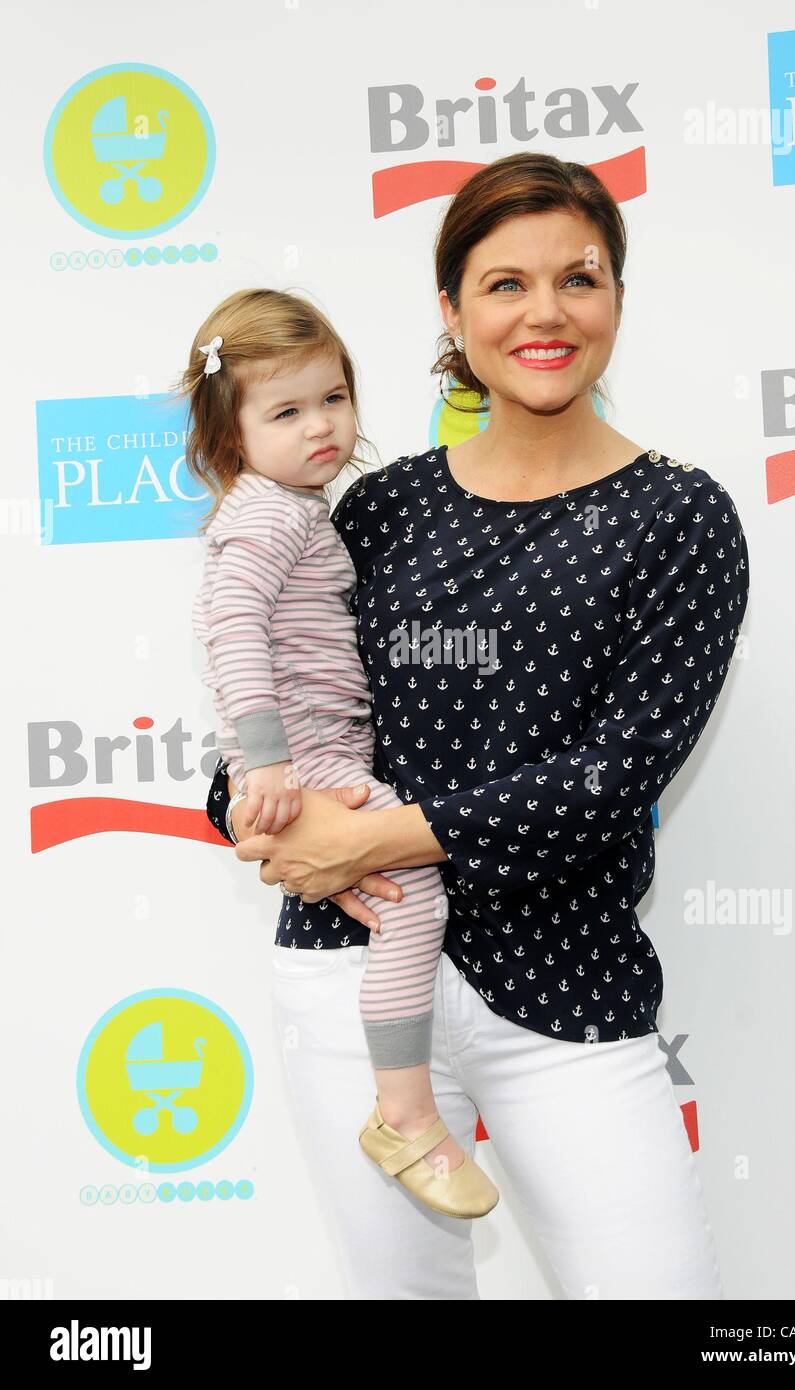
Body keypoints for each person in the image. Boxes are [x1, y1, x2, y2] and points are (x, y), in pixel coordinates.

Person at [205, 151, 751, 1299]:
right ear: (451, 309)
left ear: (617, 298)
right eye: (504, 283)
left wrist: (372, 837)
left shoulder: (679, 515)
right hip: (353, 973)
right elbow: (297, 703)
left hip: (568, 988)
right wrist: (268, 810)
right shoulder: (380, 506)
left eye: (579, 277)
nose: (544, 312)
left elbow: (613, 776)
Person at [180, 288, 499, 1218]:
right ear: (231, 434)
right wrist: (268, 763)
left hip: (317, 750)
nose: (321, 426)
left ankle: (406, 1110)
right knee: (414, 896)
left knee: (376, 887)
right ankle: (405, 1111)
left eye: (333, 398)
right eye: (285, 410)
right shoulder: (272, 517)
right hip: (308, 752)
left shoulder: (296, 508)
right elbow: (232, 626)